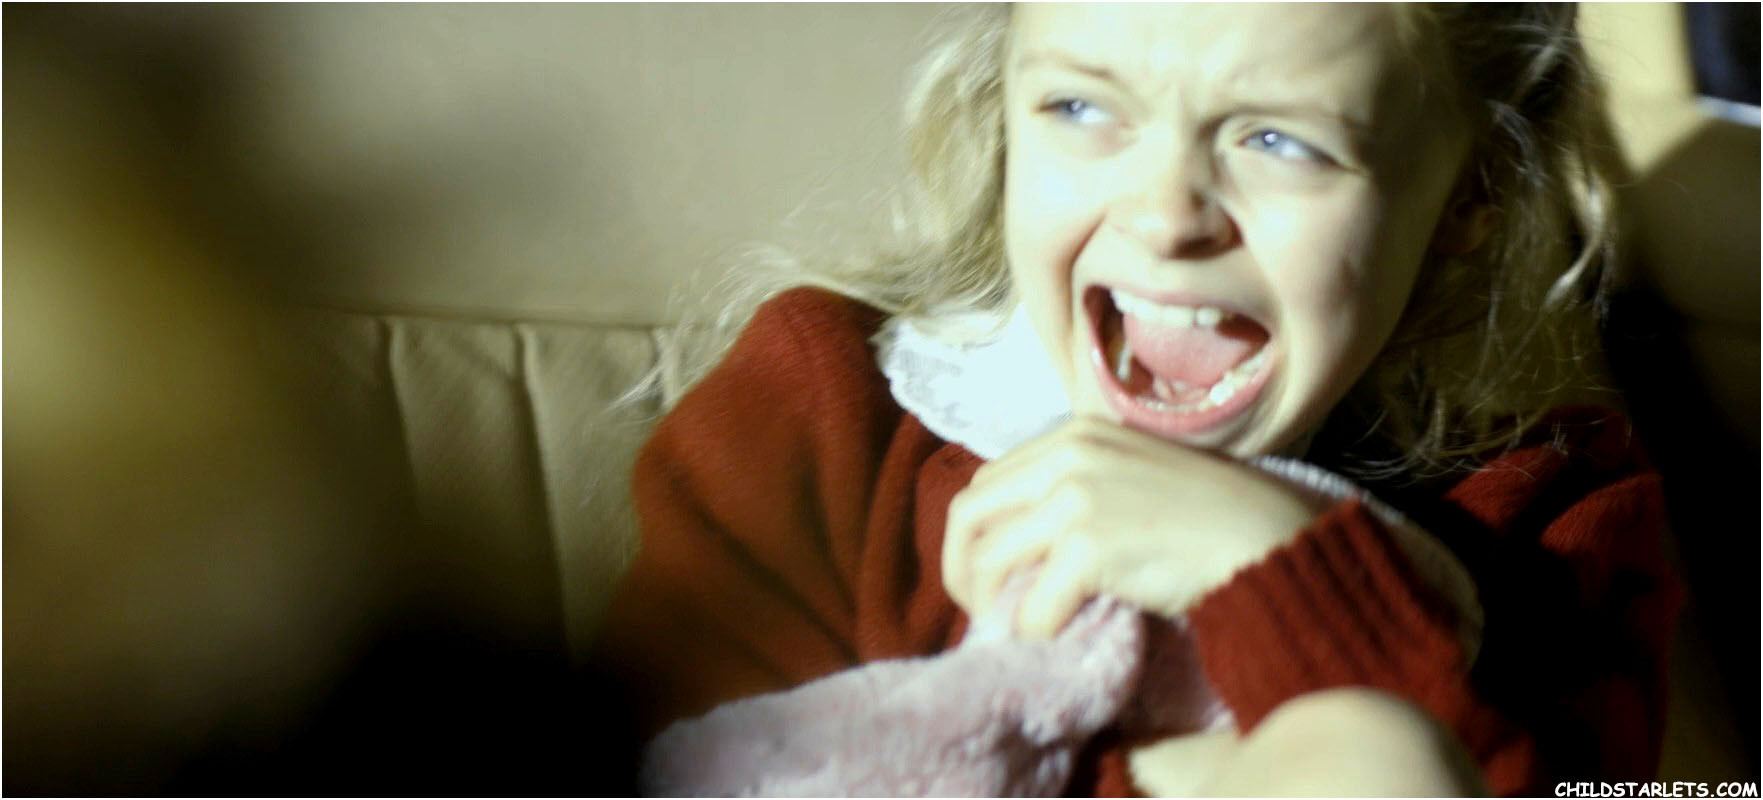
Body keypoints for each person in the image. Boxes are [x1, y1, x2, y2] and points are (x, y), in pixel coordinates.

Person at [591, 4, 1681, 796]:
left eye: (1279, 140)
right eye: (1078, 106)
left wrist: (1286, 576)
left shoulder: (1555, 528)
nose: (1163, 216)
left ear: (1468, 197)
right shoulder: (824, 415)